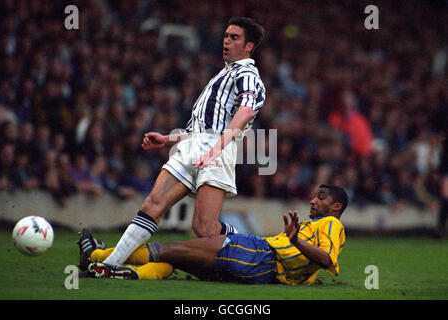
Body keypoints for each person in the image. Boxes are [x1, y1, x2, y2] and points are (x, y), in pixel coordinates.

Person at [79, 17, 267, 269]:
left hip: (218, 149)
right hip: (193, 146)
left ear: (248, 47)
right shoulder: (224, 74)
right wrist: (168, 139)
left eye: (234, 37)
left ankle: (257, 249)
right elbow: (198, 129)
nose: (226, 41)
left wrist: (216, 150)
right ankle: (108, 264)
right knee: (152, 204)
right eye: (225, 36)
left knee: (204, 228)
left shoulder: (248, 73)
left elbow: (244, 112)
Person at [82, 185, 348, 286]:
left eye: (321, 197)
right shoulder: (321, 226)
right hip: (262, 273)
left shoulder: (332, 225)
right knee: (177, 261)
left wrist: (295, 241)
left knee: (169, 249)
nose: (313, 200)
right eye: (314, 195)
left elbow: (326, 259)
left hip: (259, 253)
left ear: (336, 207)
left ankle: (96, 255)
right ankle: (134, 274)